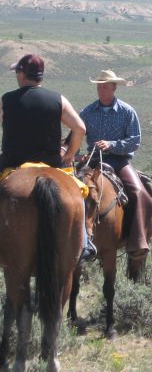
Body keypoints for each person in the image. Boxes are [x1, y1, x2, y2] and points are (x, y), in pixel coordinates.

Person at [0, 53, 97, 261]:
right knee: (79, 195)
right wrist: (69, 155)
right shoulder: (58, 100)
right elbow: (79, 128)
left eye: (17, 71)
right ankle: (84, 243)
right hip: (51, 165)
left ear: (22, 74)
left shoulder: (7, 100)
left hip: (13, 164)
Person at [80, 69, 152, 259]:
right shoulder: (87, 112)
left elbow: (135, 140)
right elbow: (76, 134)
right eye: (99, 87)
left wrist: (111, 145)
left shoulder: (127, 111)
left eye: (105, 87)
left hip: (119, 161)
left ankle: (137, 241)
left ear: (114, 88)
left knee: (140, 193)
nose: (102, 90)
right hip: (93, 161)